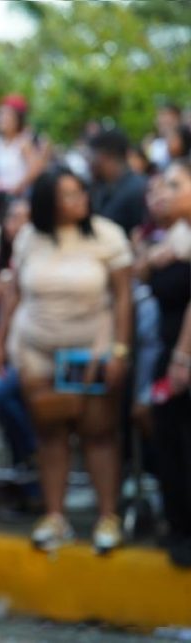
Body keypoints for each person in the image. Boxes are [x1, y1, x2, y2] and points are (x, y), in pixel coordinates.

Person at [0, 168, 133, 554]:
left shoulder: (107, 235)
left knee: (98, 432)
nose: (79, 199)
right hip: (36, 349)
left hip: (92, 349)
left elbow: (123, 296)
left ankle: (107, 517)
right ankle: (55, 516)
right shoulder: (29, 237)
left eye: (80, 191)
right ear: (47, 202)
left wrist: (120, 349)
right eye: (68, 194)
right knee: (49, 432)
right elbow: (14, 292)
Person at [148, 160, 191, 567]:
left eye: (175, 185)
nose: (163, 193)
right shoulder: (172, 238)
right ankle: (179, 527)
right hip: (171, 356)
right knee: (171, 443)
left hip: (183, 359)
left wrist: (182, 356)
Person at [88, 128, 149, 237]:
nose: (90, 161)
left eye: (93, 155)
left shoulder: (139, 189)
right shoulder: (100, 186)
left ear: (105, 157)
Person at [0, 94, 45, 196]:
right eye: (0, 115)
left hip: (19, 195)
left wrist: (17, 188)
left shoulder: (23, 142)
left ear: (17, 119)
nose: (2, 119)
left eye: (7, 116)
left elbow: (35, 169)